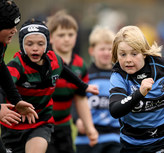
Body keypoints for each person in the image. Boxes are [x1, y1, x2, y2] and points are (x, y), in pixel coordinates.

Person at [0, 18, 99, 153]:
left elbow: (64, 71)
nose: (35, 48)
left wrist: (83, 86)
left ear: (47, 44)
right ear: (22, 45)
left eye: (40, 44)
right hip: (13, 125)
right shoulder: (16, 65)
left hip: (41, 122)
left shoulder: (54, 61)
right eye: (29, 44)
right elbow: (3, 85)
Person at [45, 10, 98, 153]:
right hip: (42, 127)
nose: (67, 39)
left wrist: (90, 128)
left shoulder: (80, 65)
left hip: (64, 127)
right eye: (61, 35)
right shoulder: (44, 63)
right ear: (50, 38)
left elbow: (80, 99)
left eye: (71, 34)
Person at [75, 26, 121, 153]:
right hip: (87, 138)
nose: (106, 53)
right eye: (102, 49)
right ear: (91, 51)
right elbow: (75, 100)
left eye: (110, 49)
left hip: (114, 137)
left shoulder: (120, 77)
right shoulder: (84, 75)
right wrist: (77, 119)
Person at [0, 0, 38, 126]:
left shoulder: (2, 43)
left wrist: (16, 100)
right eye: (10, 26)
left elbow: (0, 67)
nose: (14, 30)